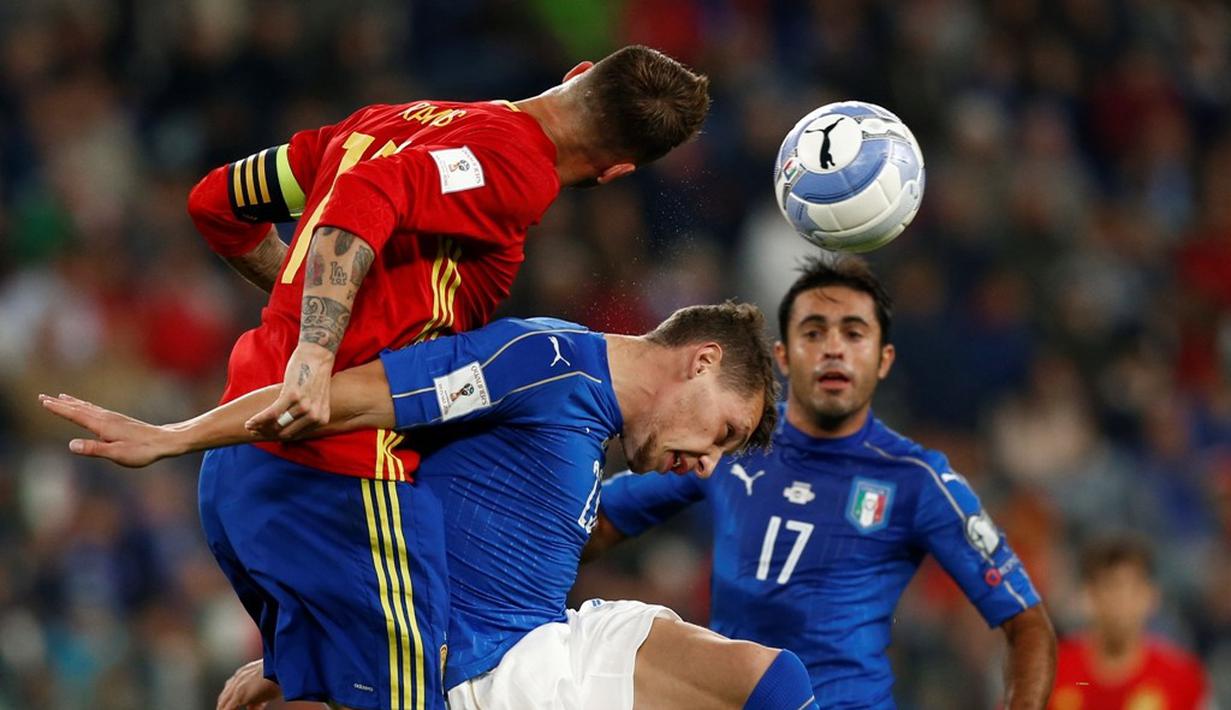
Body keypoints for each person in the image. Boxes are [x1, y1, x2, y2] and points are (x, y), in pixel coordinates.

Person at [180, 45, 710, 709]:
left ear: (576, 75)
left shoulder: (386, 121)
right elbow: (366, 194)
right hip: (338, 469)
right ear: (617, 171)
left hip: (239, 463)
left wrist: (314, 317)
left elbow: (216, 204)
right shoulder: (516, 165)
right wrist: (317, 350)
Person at [43, 303, 818, 710]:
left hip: (532, 645)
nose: (707, 456)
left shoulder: (583, 422)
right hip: (492, 674)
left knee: (768, 681)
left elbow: (540, 533)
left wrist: (308, 658)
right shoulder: (537, 361)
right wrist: (171, 436)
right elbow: (342, 400)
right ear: (702, 359)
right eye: (720, 432)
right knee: (764, 685)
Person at [587, 256, 1057, 709]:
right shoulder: (731, 444)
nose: (834, 348)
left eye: (854, 333)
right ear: (783, 357)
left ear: (884, 359)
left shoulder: (918, 480)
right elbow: (601, 520)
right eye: (814, 333)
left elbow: (1027, 622)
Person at [1048, 535, 1211, 710]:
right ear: (1088, 596)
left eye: (1132, 588)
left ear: (1151, 596)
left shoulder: (1182, 678)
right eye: (1111, 587)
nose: (1122, 600)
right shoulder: (1054, 671)